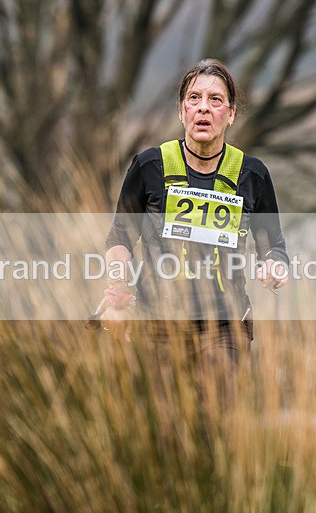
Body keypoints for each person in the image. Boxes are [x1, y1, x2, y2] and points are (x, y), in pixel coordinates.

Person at [100, 58, 289, 363]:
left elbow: (274, 248)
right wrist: (117, 292)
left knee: (214, 406)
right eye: (194, 98)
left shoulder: (252, 174)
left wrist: (274, 267)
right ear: (181, 111)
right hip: (157, 324)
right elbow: (120, 239)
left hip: (225, 326)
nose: (203, 108)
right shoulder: (150, 166)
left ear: (230, 114)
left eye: (215, 100)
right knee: (162, 412)